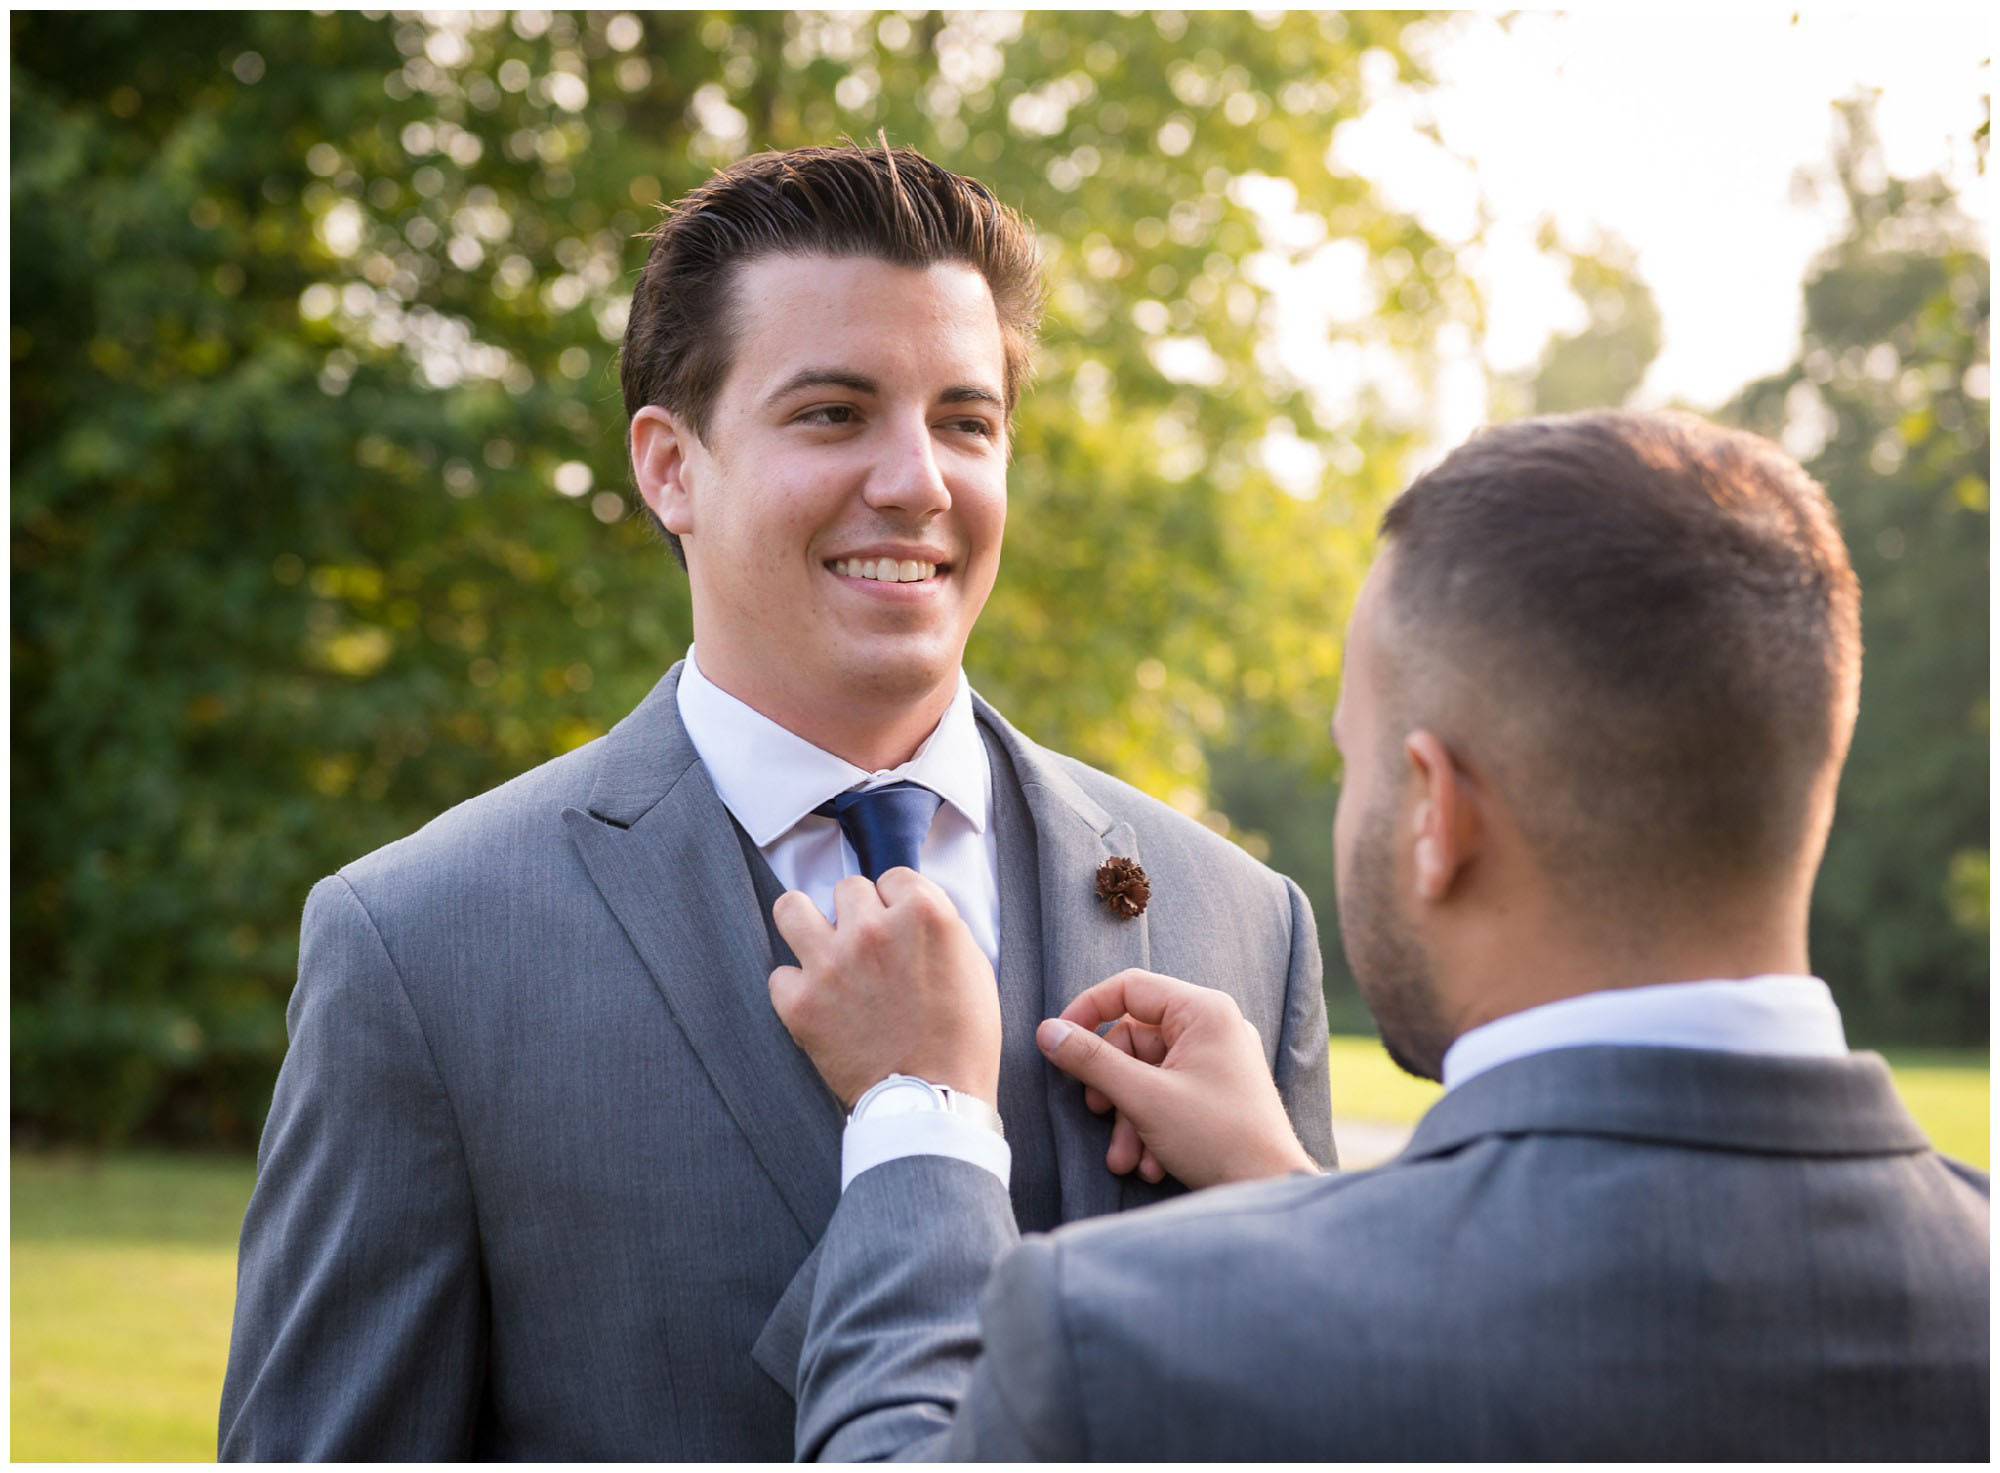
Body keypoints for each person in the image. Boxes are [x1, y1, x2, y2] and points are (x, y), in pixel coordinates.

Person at [217, 144, 1334, 1460]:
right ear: (669, 466)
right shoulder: (419, 947)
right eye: (834, 413)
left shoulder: (1242, 922)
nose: (919, 479)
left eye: (967, 421)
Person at [772, 409, 1991, 1460]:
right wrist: (1289, 1195)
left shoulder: (1122, 1336)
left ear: (1432, 812)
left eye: (1353, 761)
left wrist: (918, 1113)